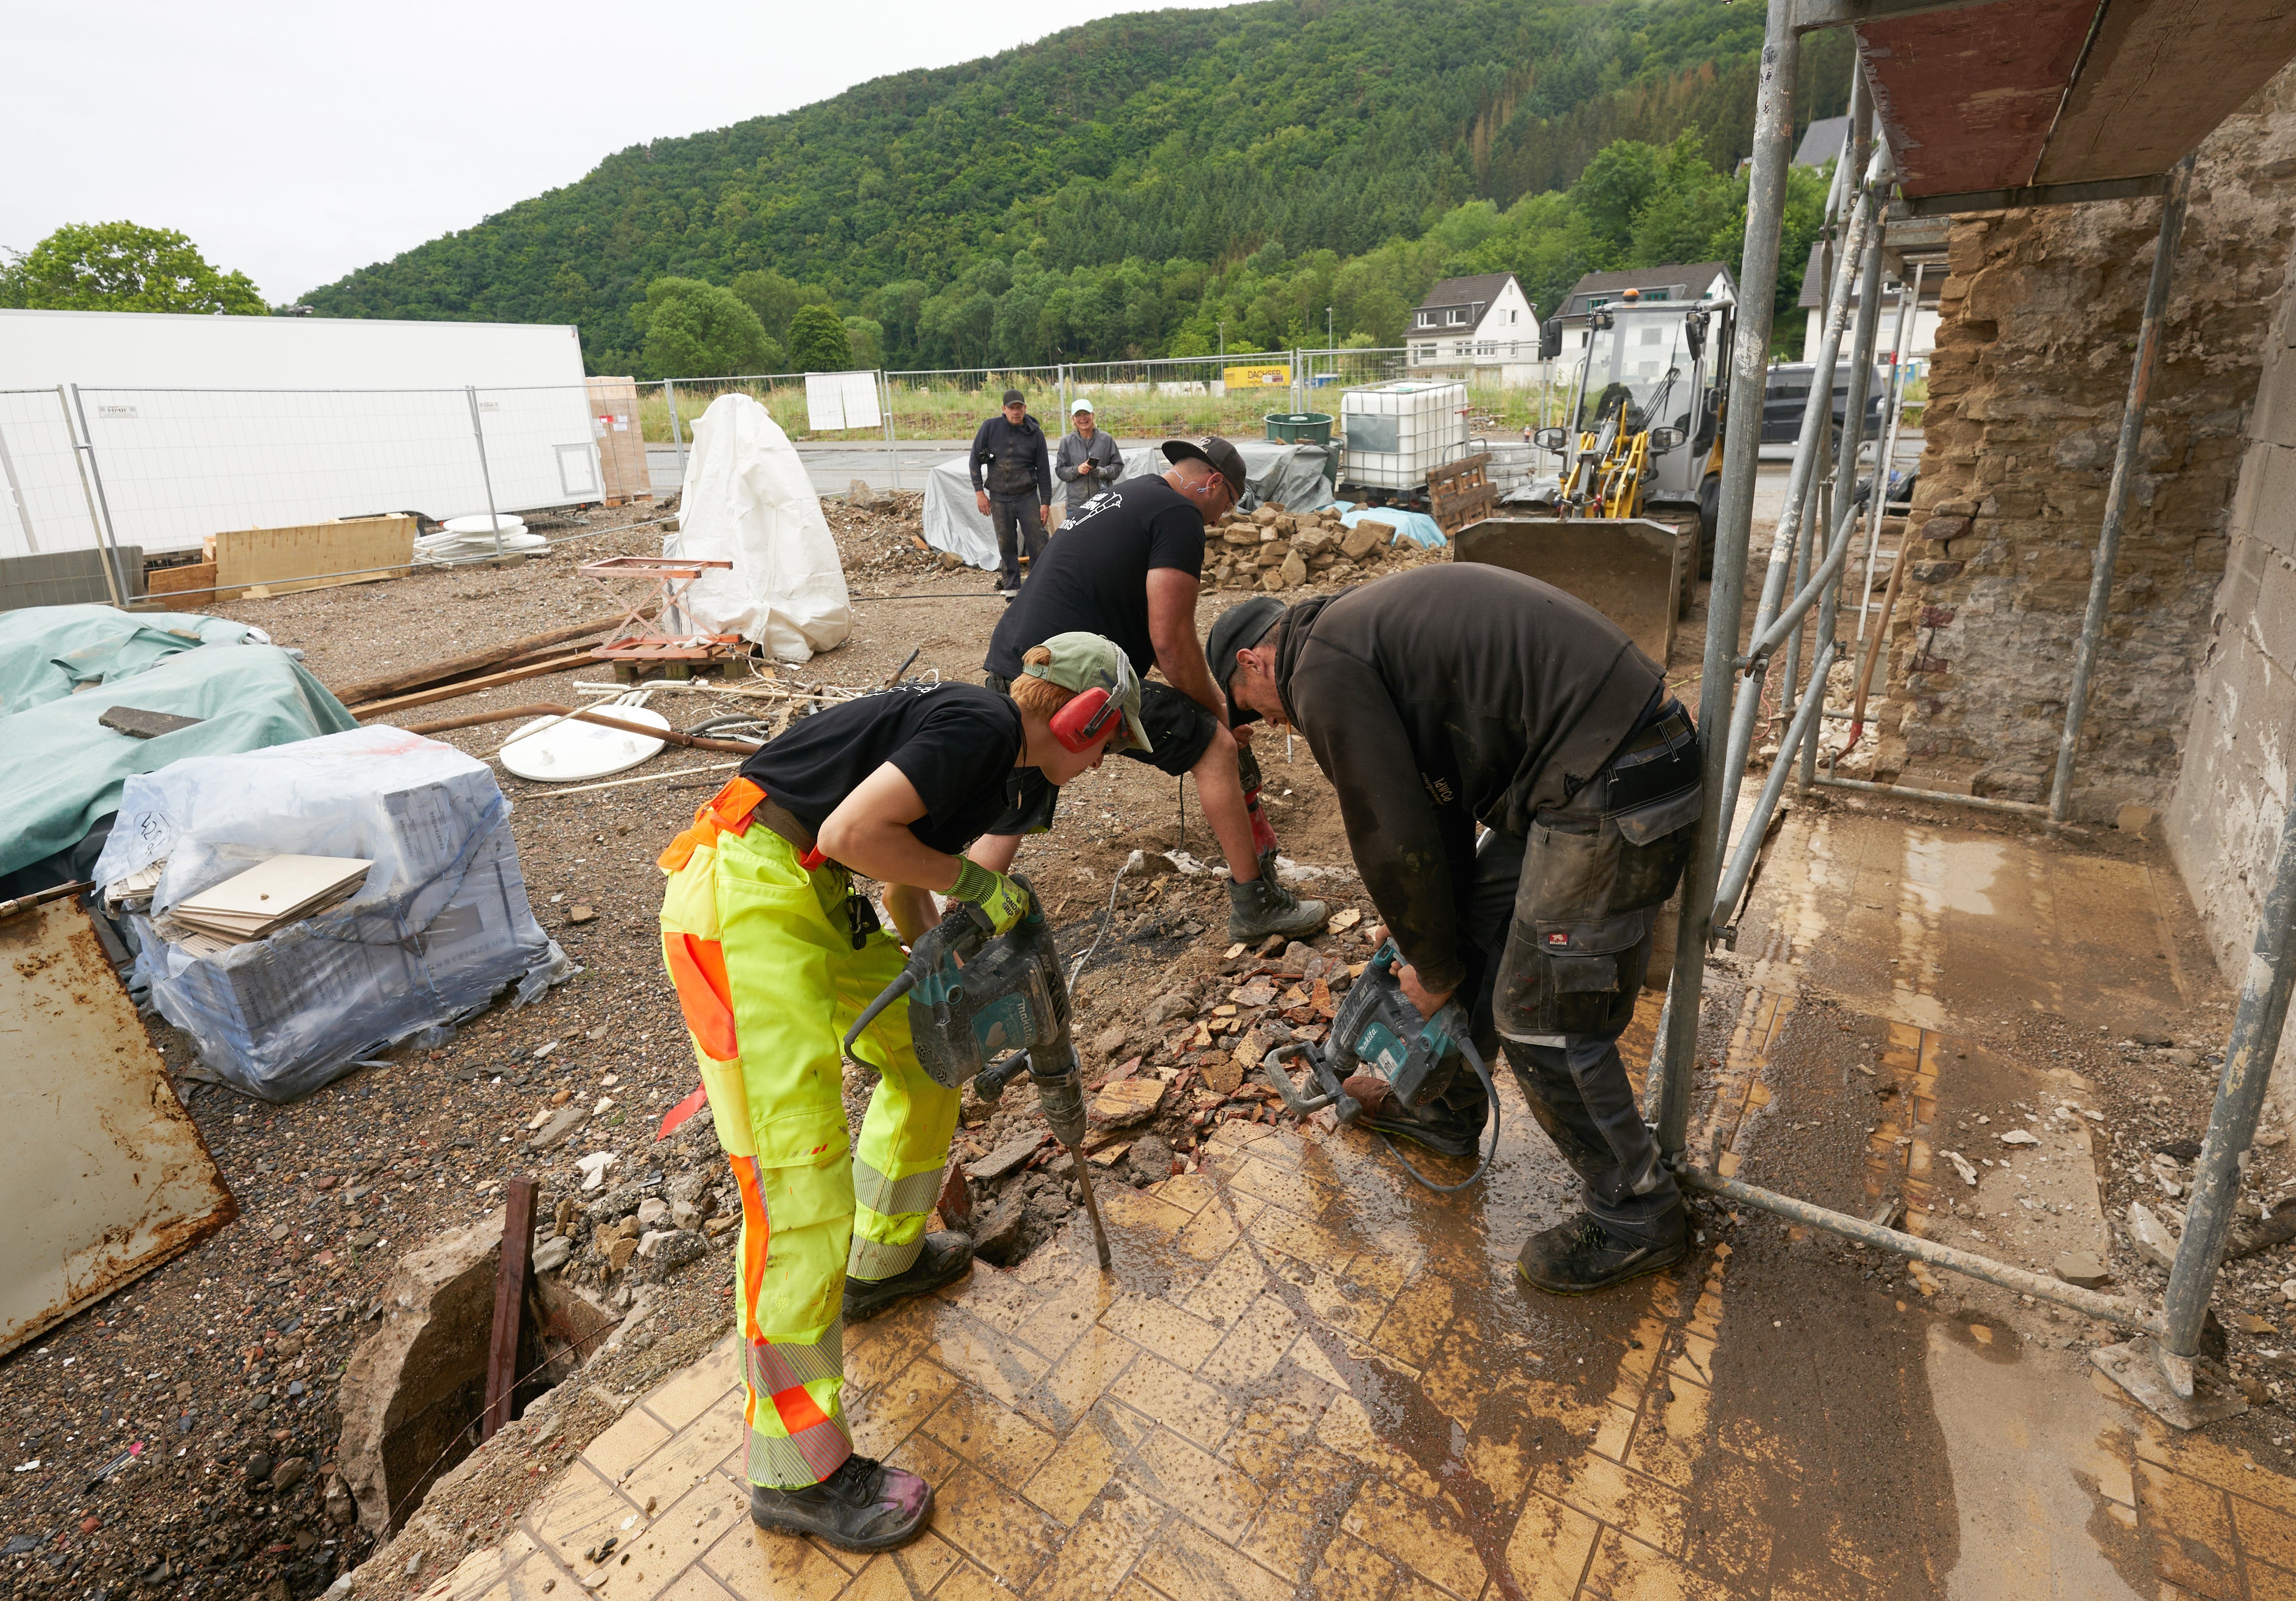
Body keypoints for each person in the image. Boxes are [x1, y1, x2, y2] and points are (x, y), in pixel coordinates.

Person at [655, 634, 1150, 1550]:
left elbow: (893, 879)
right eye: (1111, 743)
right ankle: (797, 1473)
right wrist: (977, 885)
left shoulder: (989, 760)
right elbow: (853, 836)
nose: (1102, 764)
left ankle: (878, 1265)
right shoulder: (983, 724)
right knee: (799, 1184)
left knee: (928, 1059)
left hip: (812, 893)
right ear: (1086, 719)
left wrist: (943, 967)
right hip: (744, 892)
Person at [1206, 567, 1708, 1294]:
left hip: (1613, 773)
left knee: (1540, 1015)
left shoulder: (1318, 669)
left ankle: (1638, 1212)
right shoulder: (1348, 638)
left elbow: (1388, 828)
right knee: (1468, 930)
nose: (1268, 724)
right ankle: (1444, 1112)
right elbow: (1430, 807)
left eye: (1249, 706)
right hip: (1586, 765)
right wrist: (1425, 938)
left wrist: (1431, 969)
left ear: (1253, 660)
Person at [969, 436, 1329, 946]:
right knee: (1215, 746)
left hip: (1018, 666)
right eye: (1227, 506)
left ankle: (958, 938)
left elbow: (1145, 630)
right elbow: (1172, 644)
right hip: (1071, 679)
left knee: (1010, 818)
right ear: (1213, 484)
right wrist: (1221, 714)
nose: (1221, 520)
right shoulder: (1179, 515)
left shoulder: (1127, 495)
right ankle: (1257, 905)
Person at [969, 389, 1053, 595]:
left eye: (1019, 408)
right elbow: (974, 460)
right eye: (1012, 408)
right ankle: (1012, 590)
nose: (1016, 412)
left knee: (1038, 543)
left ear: (1025, 409)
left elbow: (1044, 470)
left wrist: (1045, 502)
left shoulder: (1036, 435)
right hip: (999, 498)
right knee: (1006, 544)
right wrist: (979, 492)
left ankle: (1037, 590)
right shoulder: (990, 428)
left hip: (1027, 497)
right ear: (1004, 409)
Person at [1055, 397, 1122, 520]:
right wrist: (1077, 470)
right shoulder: (1067, 442)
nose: (1083, 418)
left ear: (1093, 415)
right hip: (1076, 506)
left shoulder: (1106, 439)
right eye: (1078, 415)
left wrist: (1103, 472)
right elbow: (1060, 471)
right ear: (1073, 419)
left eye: (1086, 413)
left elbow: (1118, 466)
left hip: (1103, 503)